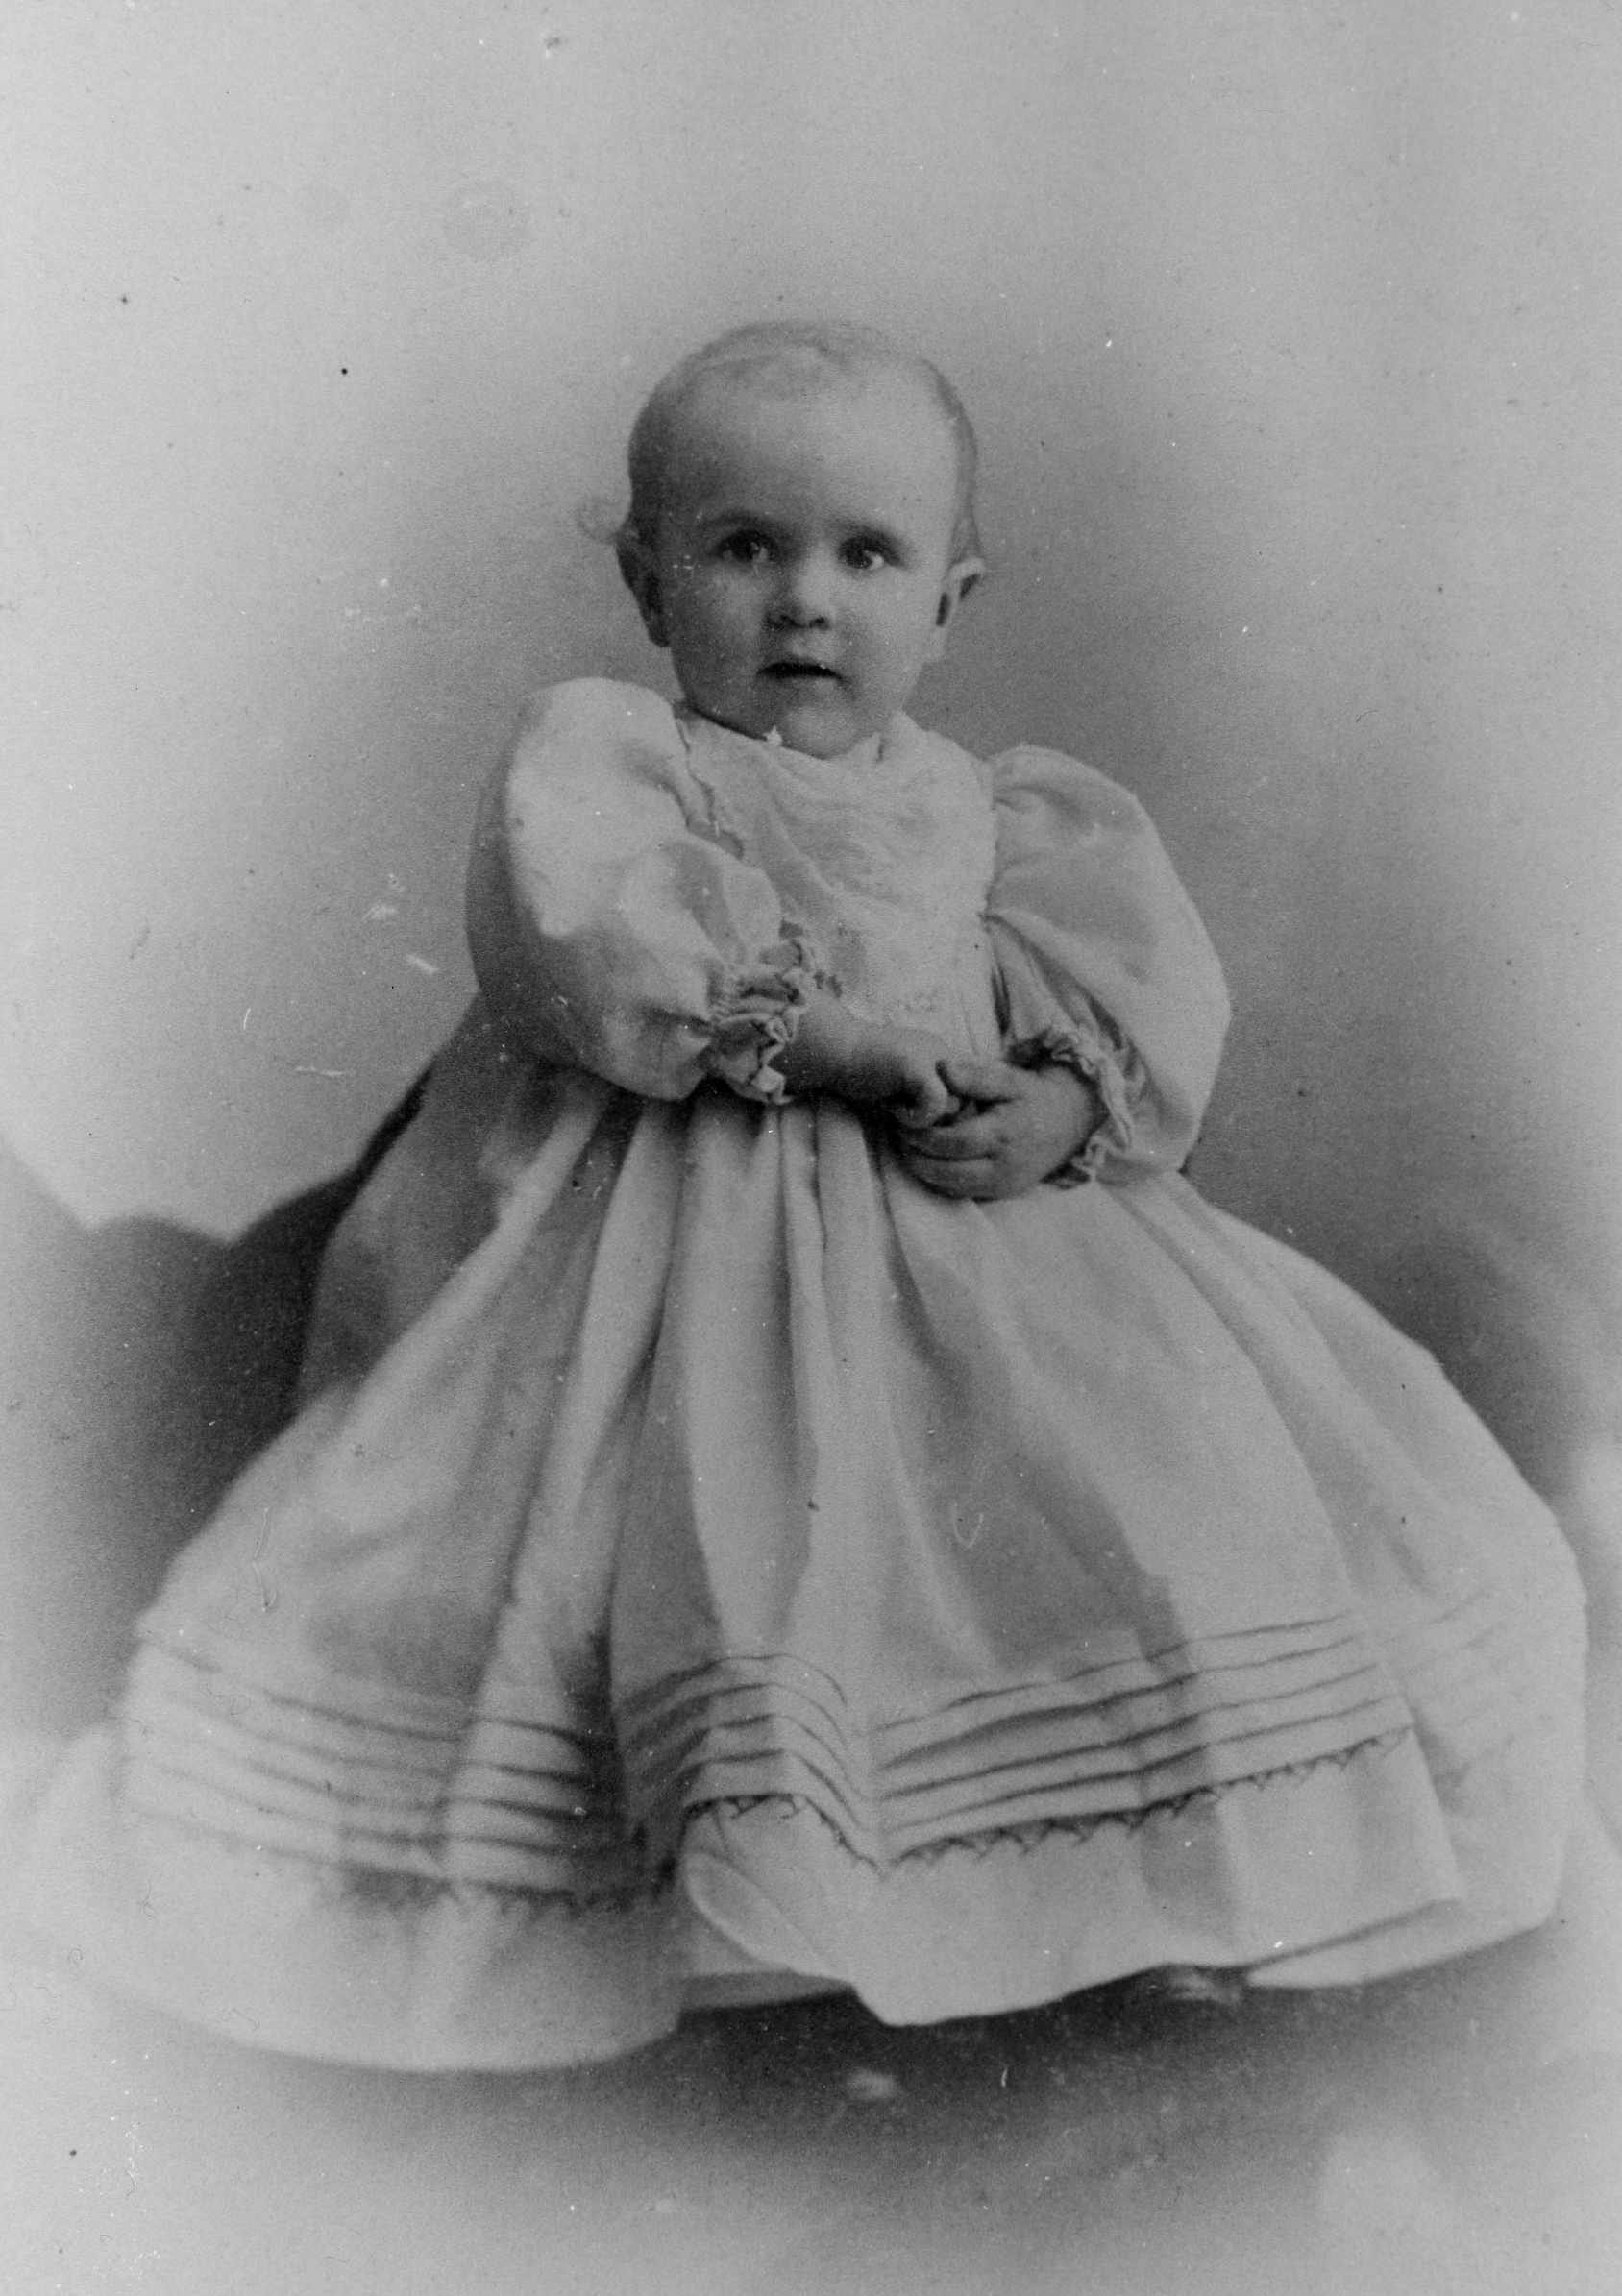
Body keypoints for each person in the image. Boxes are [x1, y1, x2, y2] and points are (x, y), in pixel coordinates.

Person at [18, 321, 1586, 2068]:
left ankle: (1165, 1878)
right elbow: (593, 944)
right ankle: (745, 1906)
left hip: (981, 1265)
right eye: (745, 547)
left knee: (1143, 1481)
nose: (806, 603)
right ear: (647, 579)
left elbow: (1139, 1006)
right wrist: (830, 1039)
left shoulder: (1003, 819)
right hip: (657, 1256)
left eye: (867, 556)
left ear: (950, 599)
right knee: (675, 1539)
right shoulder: (625, 775)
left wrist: (1063, 1101)